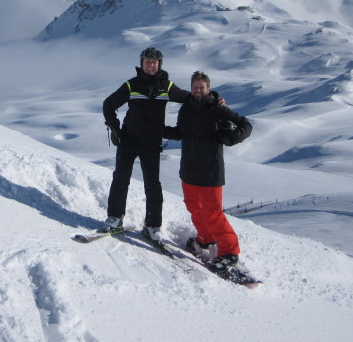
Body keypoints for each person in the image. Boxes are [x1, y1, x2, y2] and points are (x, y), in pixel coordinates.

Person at [101, 48, 223, 245]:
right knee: (121, 179)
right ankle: (115, 218)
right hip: (129, 139)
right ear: (142, 63)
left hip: (151, 142)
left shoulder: (166, 87)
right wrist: (114, 129)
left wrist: (214, 98)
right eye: (148, 62)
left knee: (153, 185)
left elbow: (191, 98)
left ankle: (152, 226)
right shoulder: (132, 85)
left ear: (160, 65)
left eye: (154, 63)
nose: (151, 65)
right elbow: (108, 104)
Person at [164, 70, 252, 272]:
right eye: (194, 87)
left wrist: (232, 137)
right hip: (189, 169)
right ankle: (204, 239)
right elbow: (181, 132)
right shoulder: (186, 109)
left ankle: (230, 252)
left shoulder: (218, 109)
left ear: (208, 89)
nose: (197, 91)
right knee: (194, 207)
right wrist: (160, 130)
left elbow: (246, 125)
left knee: (213, 213)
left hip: (211, 171)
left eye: (201, 88)